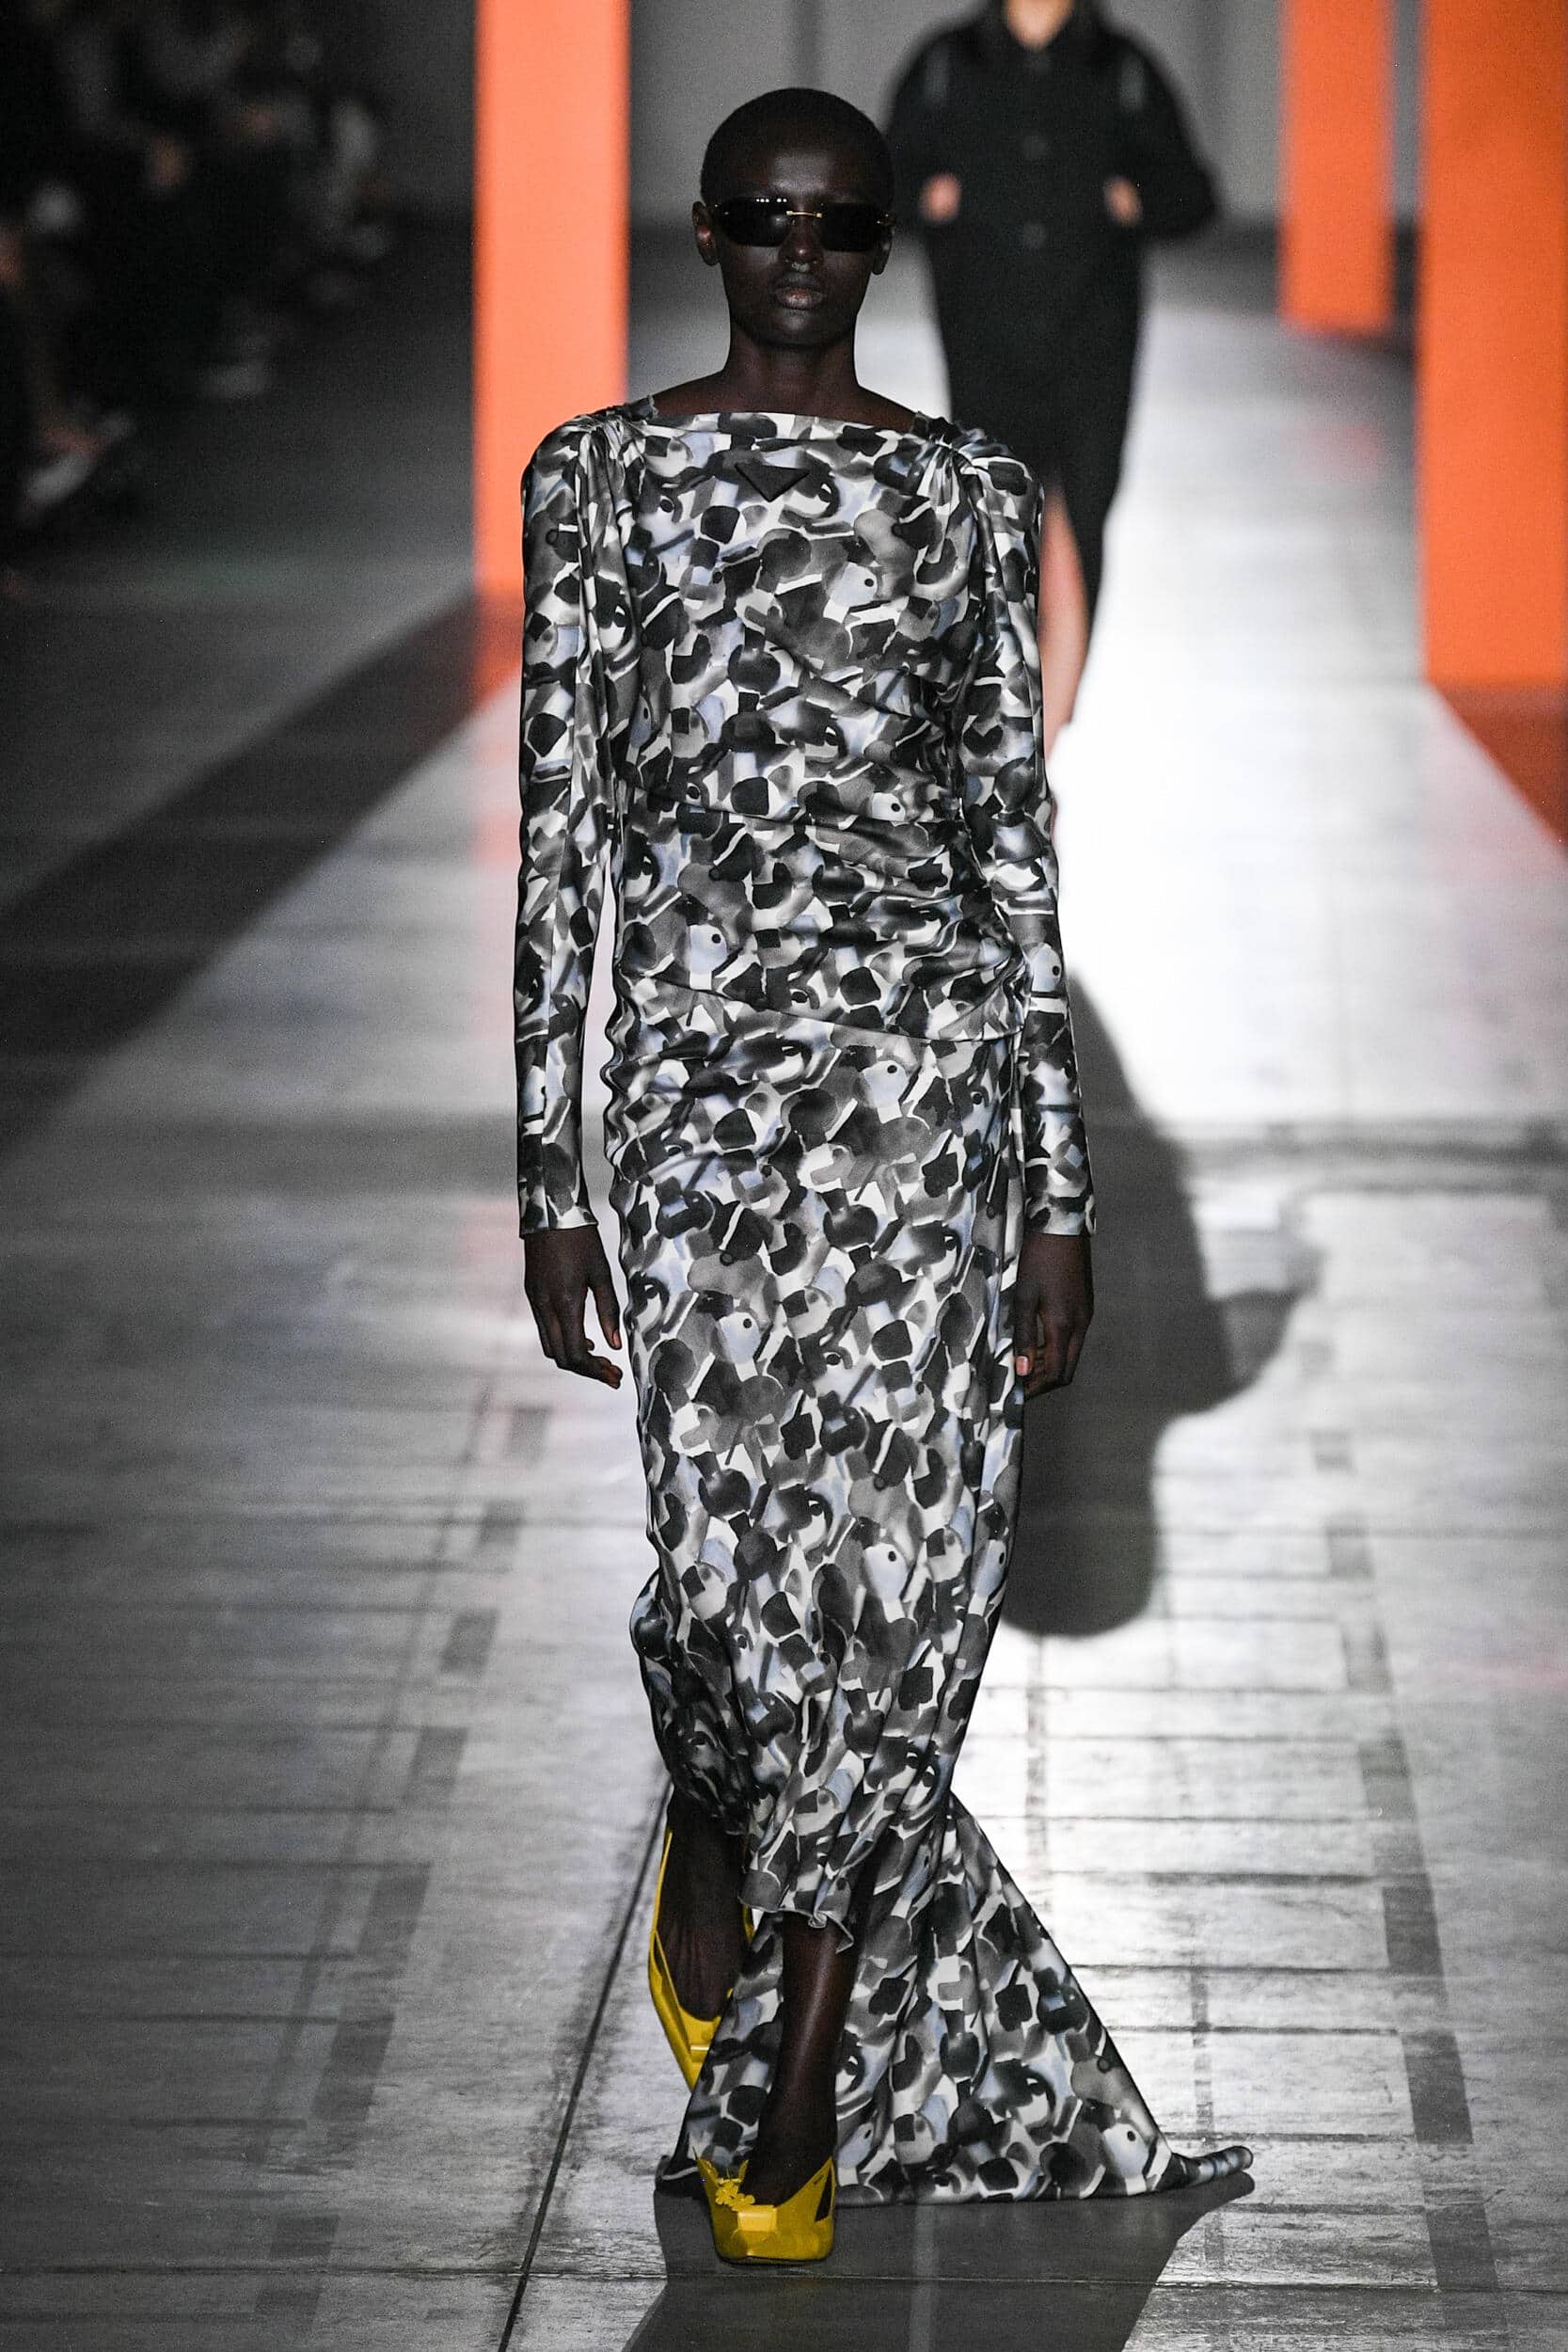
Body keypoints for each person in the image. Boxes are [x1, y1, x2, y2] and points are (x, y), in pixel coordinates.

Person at [514, 85, 1250, 2265]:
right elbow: (561, 848)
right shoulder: (601, 483)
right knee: (732, 1589)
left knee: (908, 1580)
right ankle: (717, 1831)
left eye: (835, 224)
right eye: (762, 215)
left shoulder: (960, 500)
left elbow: (1013, 859)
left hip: (920, 1105)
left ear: (876, 246)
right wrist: (550, 1172)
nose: (799, 252)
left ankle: (798, 2087)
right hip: (698, 1113)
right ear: (705, 229)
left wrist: (1055, 1187)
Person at [887, 0, 1217, 751]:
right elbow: (879, 184)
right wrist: (929, 198)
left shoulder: (1120, 67)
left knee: (1079, 522)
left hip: (1091, 340)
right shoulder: (947, 64)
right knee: (1000, 532)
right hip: (984, 339)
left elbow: (1193, 196)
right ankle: (1013, 733)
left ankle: (1042, 742)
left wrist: (1131, 199)